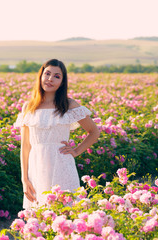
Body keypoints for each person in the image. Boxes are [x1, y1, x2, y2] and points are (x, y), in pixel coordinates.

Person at [14, 59, 100, 209]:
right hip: (36, 167)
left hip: (61, 164)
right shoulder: (28, 107)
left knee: (66, 212)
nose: (50, 79)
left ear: (62, 81)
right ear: (40, 76)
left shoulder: (69, 105)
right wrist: (24, 179)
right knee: (39, 214)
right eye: (47, 74)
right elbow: (25, 146)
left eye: (56, 76)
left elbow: (94, 132)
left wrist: (76, 151)